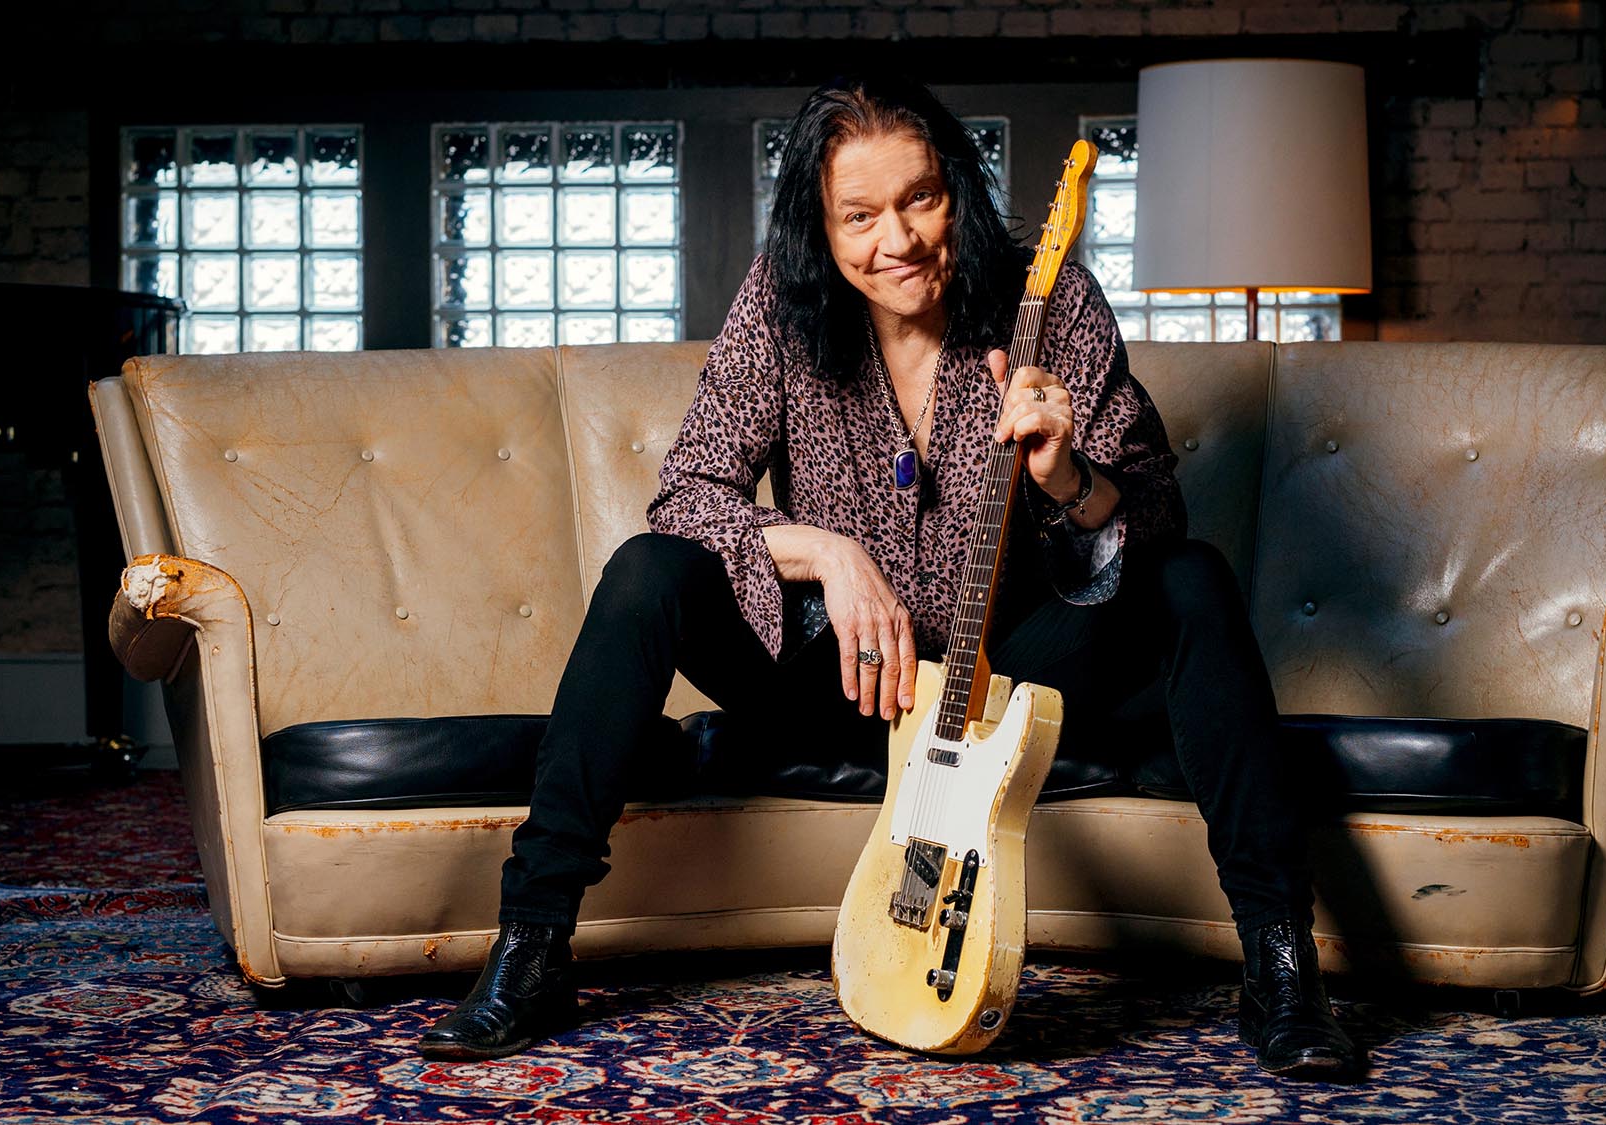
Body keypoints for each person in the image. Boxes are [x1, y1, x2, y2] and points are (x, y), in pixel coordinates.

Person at [419, 74, 1361, 1080]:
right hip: (845, 679)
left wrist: (1067, 476)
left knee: (1190, 579)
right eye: (860, 216)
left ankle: (1278, 962)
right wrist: (829, 553)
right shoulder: (779, 308)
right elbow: (687, 495)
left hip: (1008, 686)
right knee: (649, 572)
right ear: (820, 228)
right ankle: (531, 944)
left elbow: (1153, 513)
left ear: (958, 188)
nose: (898, 241)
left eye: (920, 200)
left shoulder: (1054, 303)